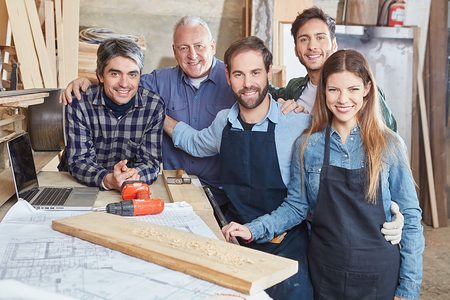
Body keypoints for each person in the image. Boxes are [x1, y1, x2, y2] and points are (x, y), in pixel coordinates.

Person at [223, 49, 424, 300]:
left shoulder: (389, 145)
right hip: (325, 273)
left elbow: (411, 219)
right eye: (333, 89)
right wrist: (253, 229)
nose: (343, 99)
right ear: (323, 91)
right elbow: (296, 207)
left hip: (378, 275)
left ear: (367, 89)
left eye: (352, 89)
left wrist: (408, 289)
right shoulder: (309, 145)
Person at [164, 36, 312, 299]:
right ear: (228, 76)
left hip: (285, 249)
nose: (248, 84)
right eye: (239, 74)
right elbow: (195, 143)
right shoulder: (224, 122)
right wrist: (159, 116)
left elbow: (300, 204)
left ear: (269, 73)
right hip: (235, 244)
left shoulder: (297, 124)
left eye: (255, 73)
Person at [60, 16, 235, 204]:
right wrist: (87, 82)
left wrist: (160, 120)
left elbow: (152, 161)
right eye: (183, 47)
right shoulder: (159, 80)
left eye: (199, 46)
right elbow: (124, 86)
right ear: (174, 51)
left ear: (213, 46)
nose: (192, 55)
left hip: (219, 190)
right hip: (171, 185)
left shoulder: (234, 80)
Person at [60, 38, 165, 191]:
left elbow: (151, 163)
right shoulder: (79, 103)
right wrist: (107, 179)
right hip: (78, 183)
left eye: (132, 75)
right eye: (115, 74)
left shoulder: (154, 106)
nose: (124, 83)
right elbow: (78, 160)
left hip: (128, 185)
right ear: (100, 76)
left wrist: (131, 176)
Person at [270, 6, 398, 132]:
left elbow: (389, 139)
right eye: (304, 39)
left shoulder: (361, 90)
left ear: (334, 44)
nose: (312, 46)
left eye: (320, 37)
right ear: (296, 50)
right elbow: (265, 91)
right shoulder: (295, 88)